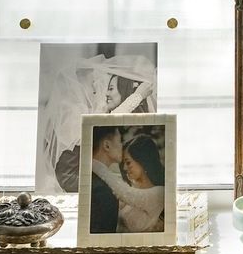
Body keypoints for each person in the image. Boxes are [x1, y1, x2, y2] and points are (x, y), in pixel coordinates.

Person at [37, 53, 156, 193]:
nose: (103, 93)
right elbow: (100, 126)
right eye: (95, 89)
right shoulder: (73, 116)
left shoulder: (127, 126)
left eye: (110, 88)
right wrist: (136, 97)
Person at [91, 135, 165, 233]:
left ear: (143, 160)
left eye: (128, 163)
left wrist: (92, 163)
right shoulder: (132, 190)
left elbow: (124, 192)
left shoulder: (159, 193)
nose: (125, 168)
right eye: (123, 164)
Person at [89, 126, 123, 233]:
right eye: (120, 141)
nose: (123, 146)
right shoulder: (103, 189)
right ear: (107, 145)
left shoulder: (94, 176)